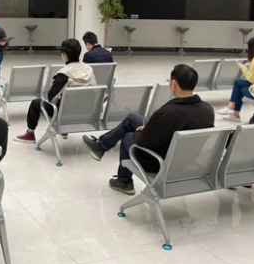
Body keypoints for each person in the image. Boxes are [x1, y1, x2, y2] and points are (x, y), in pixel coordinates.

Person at [82, 64, 214, 195]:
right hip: (185, 158)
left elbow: (146, 143)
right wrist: (149, 128)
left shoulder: (168, 112)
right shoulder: (207, 109)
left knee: (128, 136)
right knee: (132, 119)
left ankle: (124, 181)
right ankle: (100, 146)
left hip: (161, 162)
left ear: (173, 84)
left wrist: (142, 132)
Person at [15, 39, 96, 144]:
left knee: (35, 103)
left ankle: (30, 134)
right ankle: (64, 131)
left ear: (65, 54)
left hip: (65, 114)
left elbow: (51, 99)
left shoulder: (64, 74)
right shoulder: (88, 69)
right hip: (86, 112)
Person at [218, 36, 254, 123]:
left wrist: (244, 68)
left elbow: (251, 79)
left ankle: (232, 110)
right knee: (238, 83)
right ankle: (232, 110)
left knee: (240, 89)